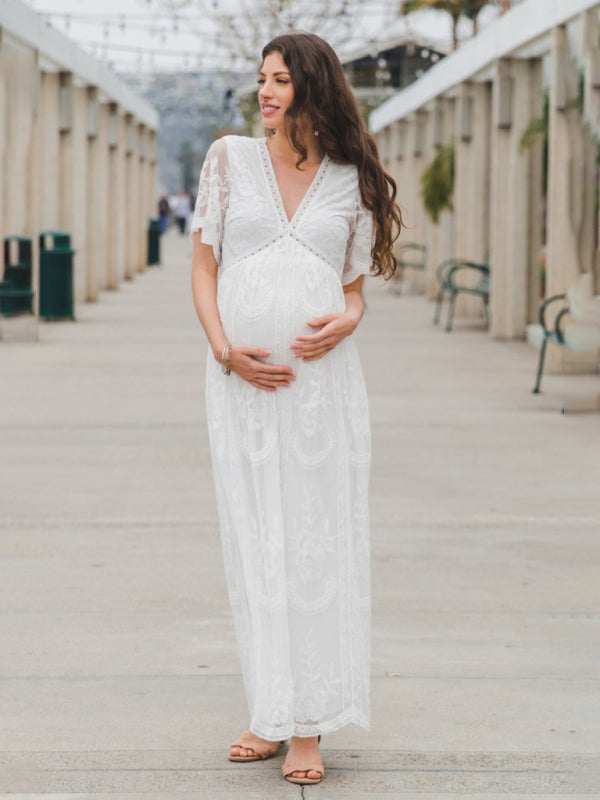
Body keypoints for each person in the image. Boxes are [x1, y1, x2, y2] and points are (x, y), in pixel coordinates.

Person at [190, 32, 402, 786]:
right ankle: (267, 708)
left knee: (315, 545)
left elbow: (352, 292)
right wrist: (224, 350)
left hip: (321, 393)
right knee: (257, 544)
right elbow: (204, 267)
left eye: (282, 79)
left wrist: (349, 319)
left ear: (315, 87)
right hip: (241, 387)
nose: (267, 92)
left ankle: (307, 727)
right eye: (262, 79)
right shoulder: (229, 158)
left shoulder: (348, 179)